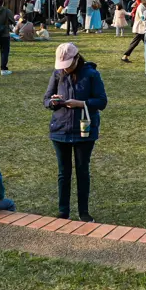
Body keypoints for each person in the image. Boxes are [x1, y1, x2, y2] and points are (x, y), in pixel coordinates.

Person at [46, 42, 107, 221]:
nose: (65, 70)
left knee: (82, 171)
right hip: (60, 129)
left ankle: (84, 212)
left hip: (84, 131)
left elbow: (102, 101)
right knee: (63, 172)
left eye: (68, 65)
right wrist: (53, 102)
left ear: (77, 59)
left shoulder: (91, 75)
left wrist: (82, 104)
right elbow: (46, 99)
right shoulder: (57, 74)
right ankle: (63, 211)